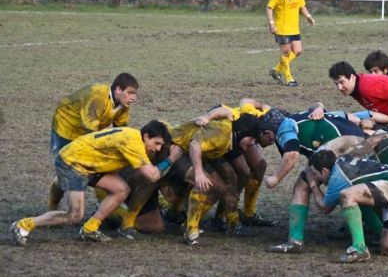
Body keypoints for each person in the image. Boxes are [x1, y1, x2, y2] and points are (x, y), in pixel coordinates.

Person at [10, 120, 177, 246]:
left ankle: (90, 228)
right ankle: (24, 225)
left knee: (121, 189)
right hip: (73, 163)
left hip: (89, 164)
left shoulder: (132, 135)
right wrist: (171, 158)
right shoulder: (134, 143)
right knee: (74, 215)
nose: (156, 149)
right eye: (156, 144)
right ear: (146, 136)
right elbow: (153, 176)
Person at [300, 150, 388, 263]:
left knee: (347, 195)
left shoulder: (338, 176)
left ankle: (359, 248)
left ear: (325, 171)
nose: (316, 177)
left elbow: (325, 207)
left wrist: (312, 183)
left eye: (315, 174)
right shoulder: (344, 159)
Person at [163, 114, 265, 244]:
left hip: (199, 152)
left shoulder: (230, 137)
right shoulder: (222, 133)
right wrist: (199, 173)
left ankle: (230, 222)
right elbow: (195, 145)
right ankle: (190, 230)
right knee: (207, 183)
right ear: (242, 132)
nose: (252, 143)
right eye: (252, 138)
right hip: (175, 148)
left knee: (229, 179)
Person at [48, 73, 140, 210]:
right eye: (130, 93)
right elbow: (90, 134)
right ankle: (52, 205)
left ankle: (102, 201)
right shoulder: (97, 97)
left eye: (135, 94)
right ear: (118, 90)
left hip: (86, 131)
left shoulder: (123, 104)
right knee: (69, 168)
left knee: (90, 166)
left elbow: (121, 129)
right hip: (66, 127)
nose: (134, 98)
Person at [267, 0, 315, 87]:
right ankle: (289, 79)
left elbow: (301, 6)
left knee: (298, 51)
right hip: (282, 29)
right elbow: (269, 7)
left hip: (294, 28)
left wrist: (308, 16)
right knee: (286, 54)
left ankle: (276, 70)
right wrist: (272, 23)